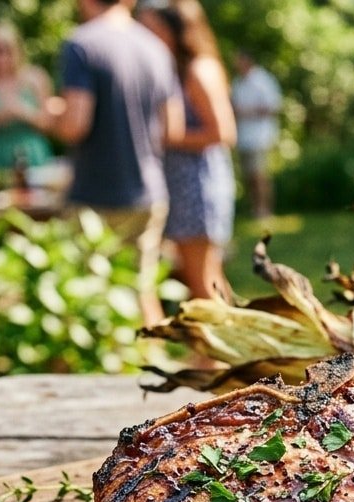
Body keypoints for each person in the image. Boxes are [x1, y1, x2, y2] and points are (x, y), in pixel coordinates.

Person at [49, 0, 183, 328]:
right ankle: (150, 373)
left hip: (95, 199)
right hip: (148, 194)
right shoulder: (156, 46)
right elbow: (173, 128)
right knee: (141, 292)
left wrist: (51, 114)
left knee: (87, 300)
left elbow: (75, 124)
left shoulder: (81, 44)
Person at [138, 0, 236, 303]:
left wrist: (165, 137)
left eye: (150, 29)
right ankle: (234, 346)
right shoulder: (176, 69)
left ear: (173, 31)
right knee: (207, 277)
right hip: (183, 187)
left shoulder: (198, 70)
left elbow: (224, 132)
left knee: (201, 280)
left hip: (198, 186)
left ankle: (216, 350)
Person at [0, 21, 54, 172]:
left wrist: (22, 112)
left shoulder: (36, 77)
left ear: (15, 48)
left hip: (33, 156)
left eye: (2, 49)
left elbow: (50, 124)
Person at [230, 50, 280, 219]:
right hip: (243, 136)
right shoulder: (238, 82)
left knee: (259, 174)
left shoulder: (263, 81)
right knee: (249, 177)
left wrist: (246, 111)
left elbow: (273, 107)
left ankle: (265, 210)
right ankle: (255, 209)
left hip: (260, 136)